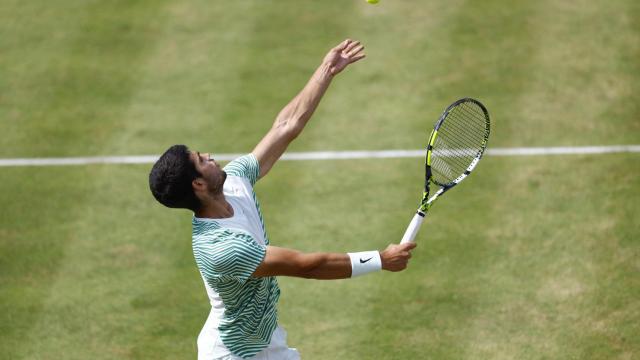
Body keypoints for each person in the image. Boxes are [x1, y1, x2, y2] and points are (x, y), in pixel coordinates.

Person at [148, 39, 417, 360]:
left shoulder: (233, 182)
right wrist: (381, 259)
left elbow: (286, 126)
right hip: (234, 354)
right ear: (198, 185)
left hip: (264, 339)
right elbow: (307, 265)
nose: (209, 156)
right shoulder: (223, 249)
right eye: (201, 159)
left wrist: (326, 70)